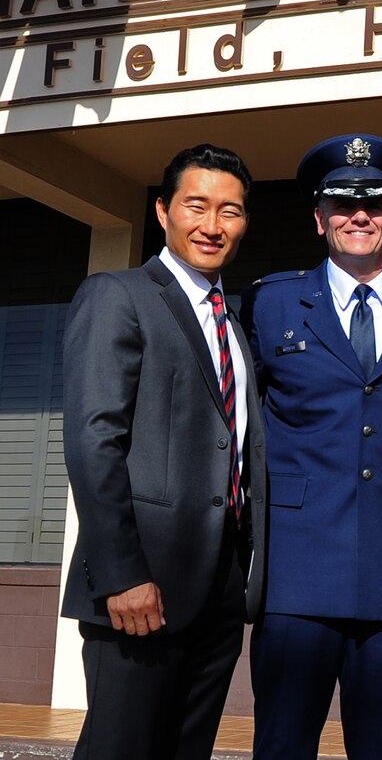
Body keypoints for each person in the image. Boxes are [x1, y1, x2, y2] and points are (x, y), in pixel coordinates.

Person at [60, 144, 265, 760]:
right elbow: (94, 441)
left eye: (229, 211)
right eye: (195, 206)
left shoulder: (235, 320)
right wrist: (122, 574)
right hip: (139, 591)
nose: (212, 225)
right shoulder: (117, 295)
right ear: (163, 211)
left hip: (220, 590)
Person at [240, 134, 382, 760]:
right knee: (282, 745)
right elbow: (238, 428)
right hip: (296, 573)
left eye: (374, 203)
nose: (360, 216)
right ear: (319, 218)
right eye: (343, 204)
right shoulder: (269, 304)